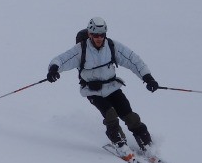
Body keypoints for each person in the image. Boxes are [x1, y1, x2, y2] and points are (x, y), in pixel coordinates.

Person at [46, 16, 161, 155]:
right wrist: (53, 69)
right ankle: (120, 143)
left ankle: (147, 145)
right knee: (110, 114)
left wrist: (148, 78)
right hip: (92, 91)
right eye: (95, 35)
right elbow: (61, 60)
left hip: (112, 87)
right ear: (89, 34)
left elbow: (134, 60)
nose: (99, 38)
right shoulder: (80, 50)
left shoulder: (112, 46)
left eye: (102, 35)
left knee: (130, 117)